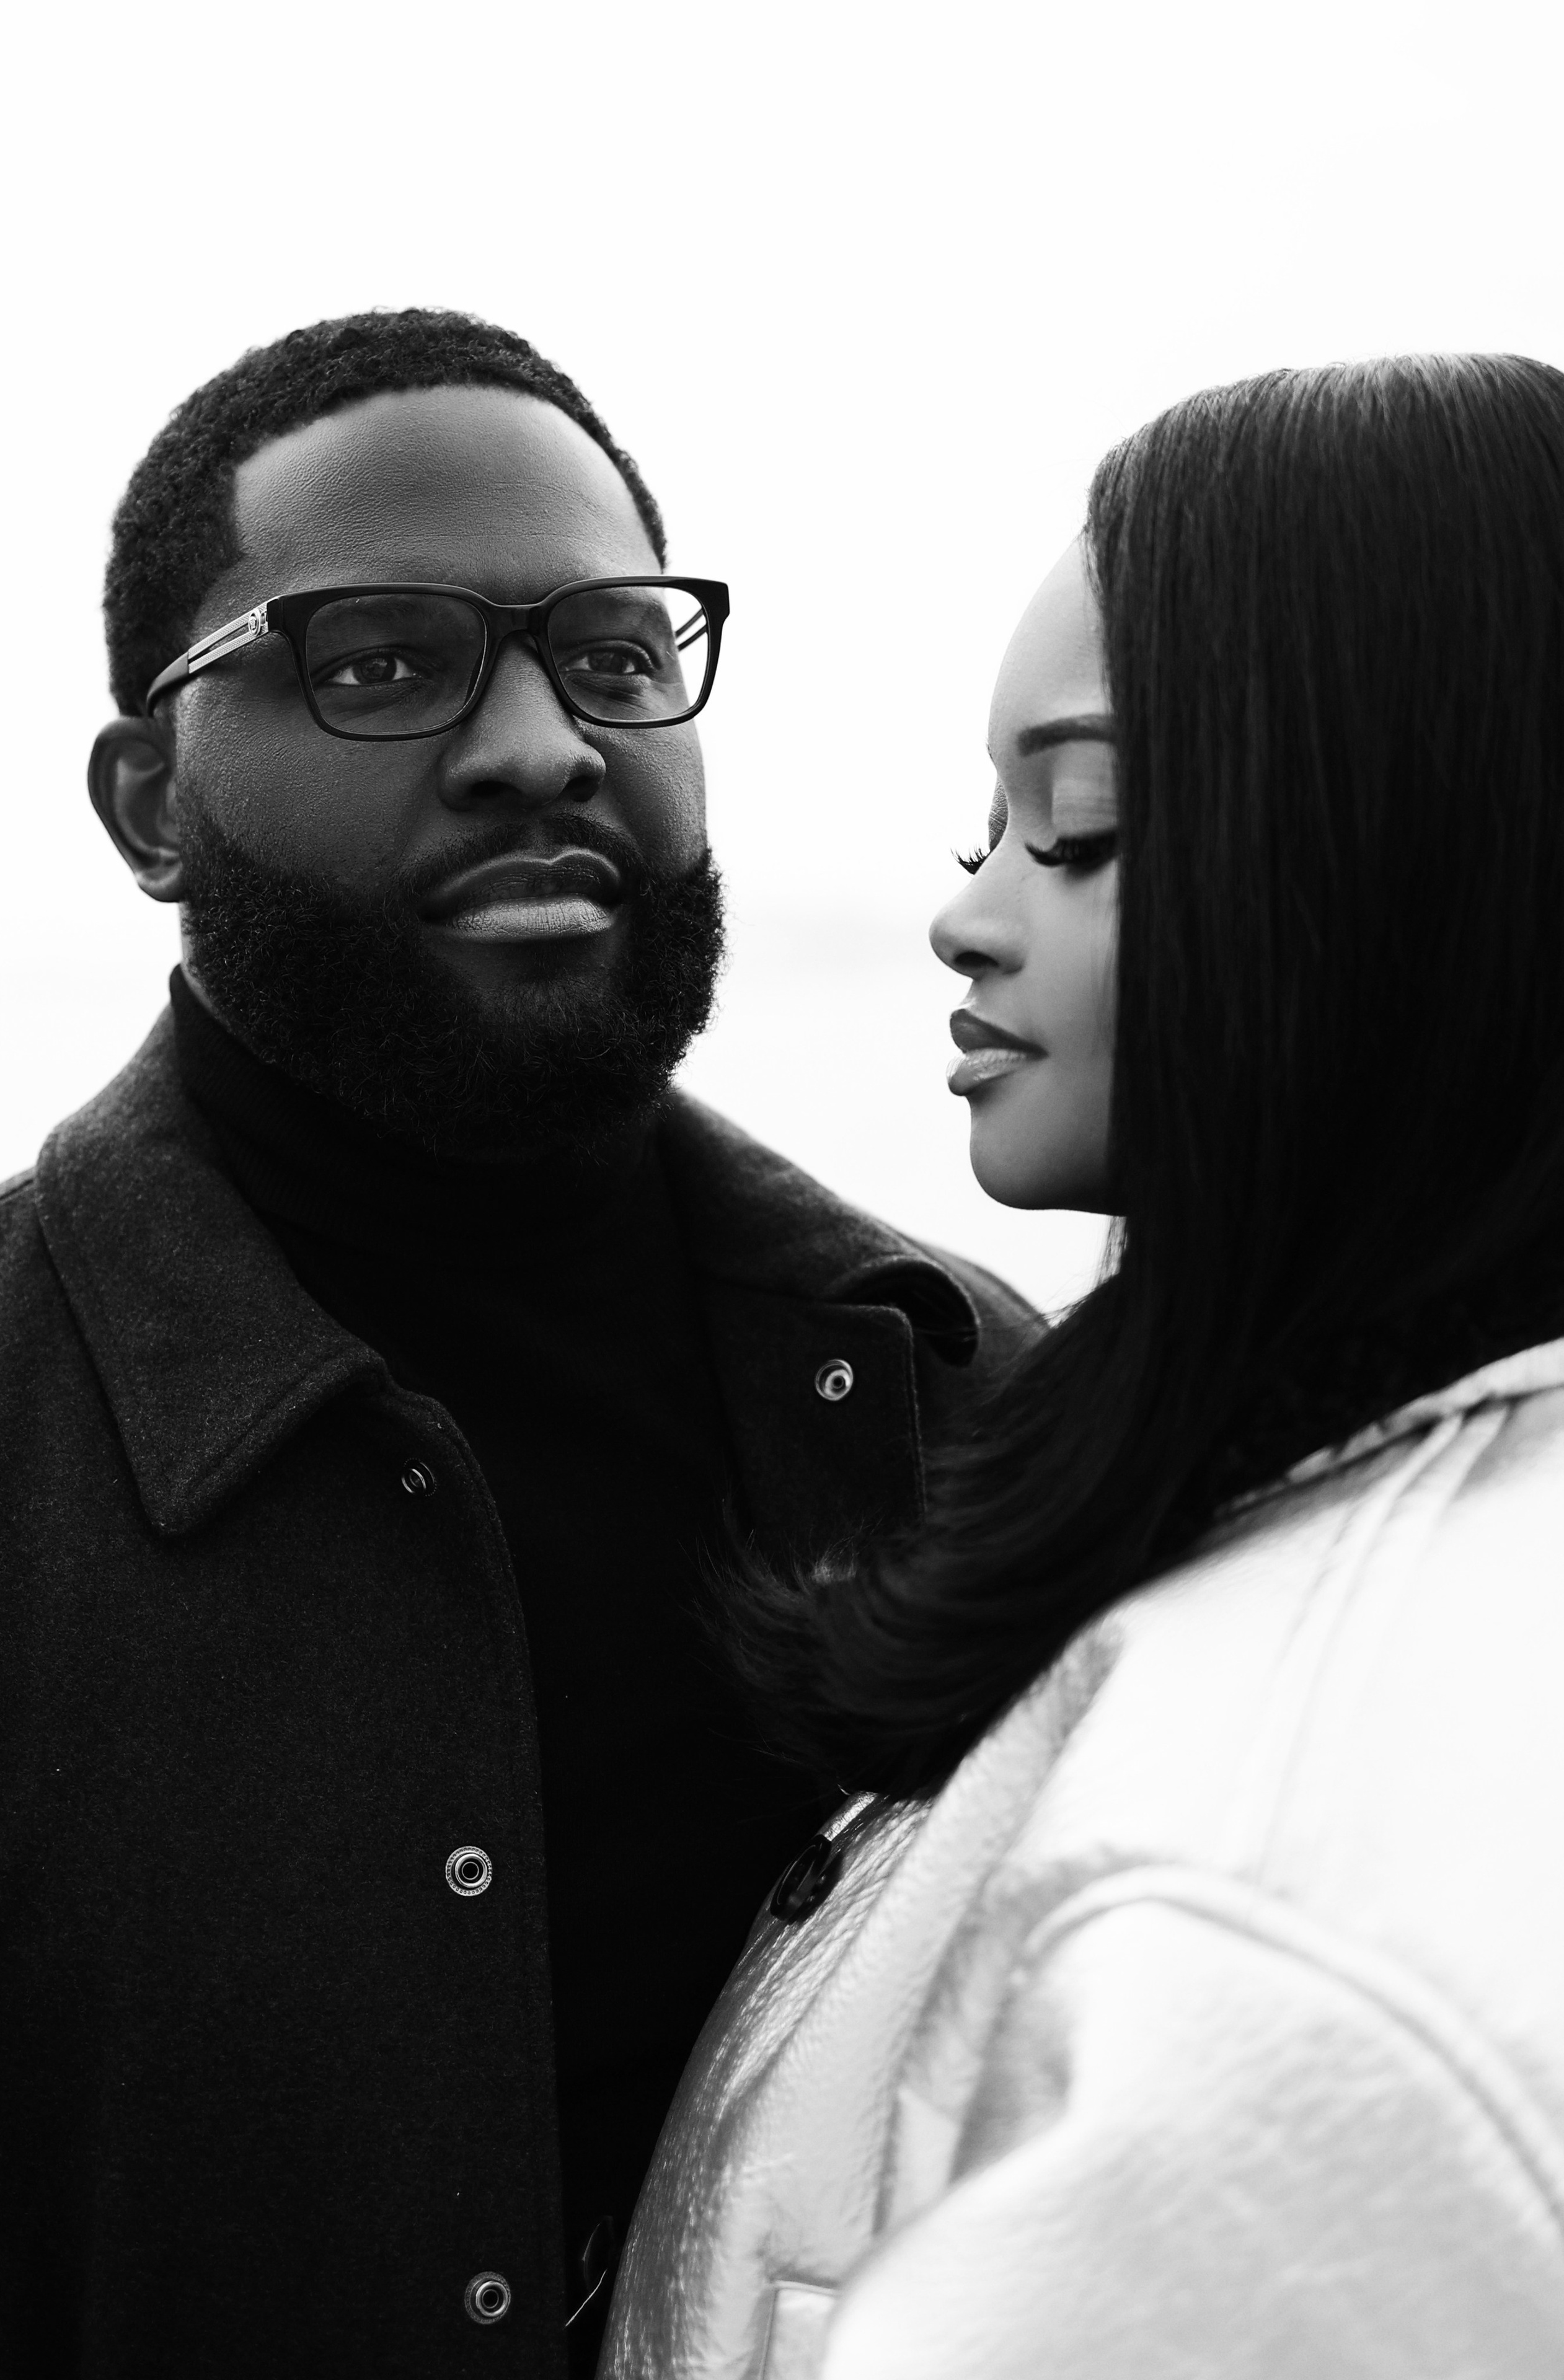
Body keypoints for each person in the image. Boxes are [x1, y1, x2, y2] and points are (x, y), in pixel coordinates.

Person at [0, 308, 1033, 2379]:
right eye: (382, 663)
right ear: (150, 803)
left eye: (618, 655)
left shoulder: (967, 1401)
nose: (546, 745)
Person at [602, 355, 1564, 2379]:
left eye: (1079, 824)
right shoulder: (1255, 1488)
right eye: (991, 829)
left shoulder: (1276, 1894)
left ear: (1415, 858)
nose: (964, 920)